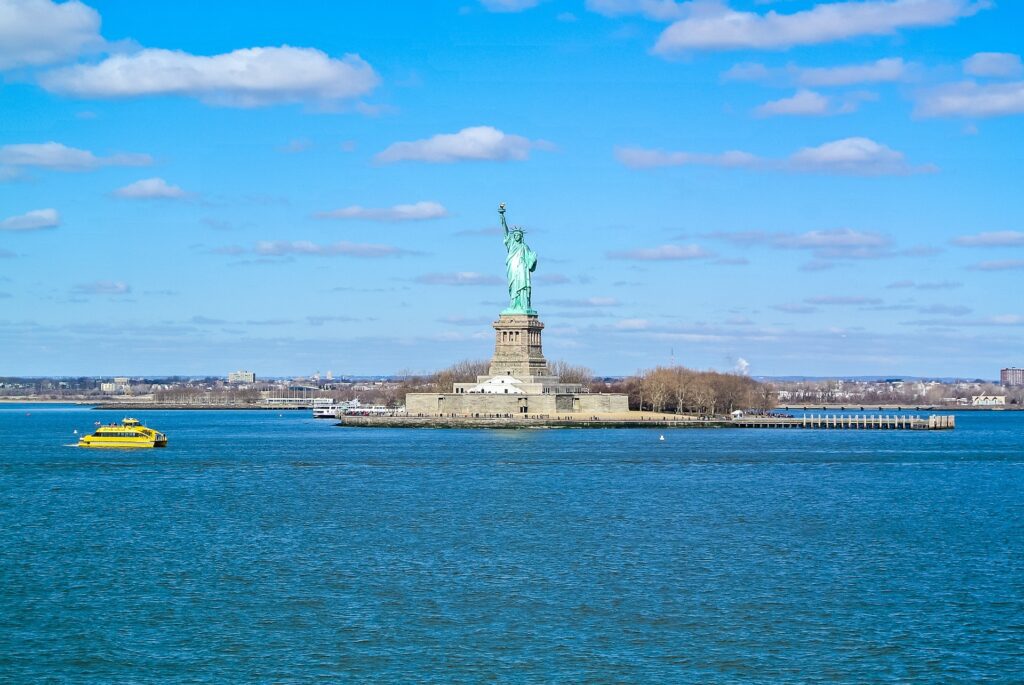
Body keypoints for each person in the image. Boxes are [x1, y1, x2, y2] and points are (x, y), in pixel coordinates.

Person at [498, 203, 537, 312]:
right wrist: (502, 217)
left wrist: (533, 259)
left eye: (518, 235)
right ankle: (514, 306)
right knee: (514, 286)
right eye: (514, 235)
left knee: (523, 286)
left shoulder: (525, 247)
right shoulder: (511, 244)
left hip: (522, 269)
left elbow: (530, 262)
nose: (516, 236)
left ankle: (524, 305)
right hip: (513, 267)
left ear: (521, 236)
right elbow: (505, 232)